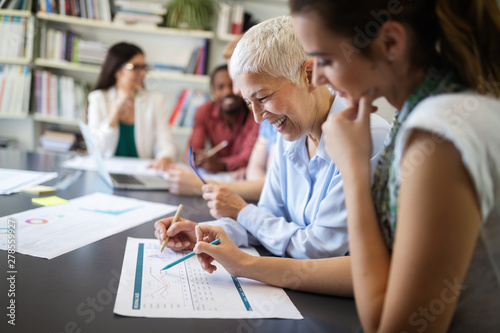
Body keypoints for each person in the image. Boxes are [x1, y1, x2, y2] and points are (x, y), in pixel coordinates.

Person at [197, 1, 500, 332]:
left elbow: (390, 323)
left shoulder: (436, 133)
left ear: (390, 43)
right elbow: (370, 266)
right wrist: (238, 253)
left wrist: (354, 169)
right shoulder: (430, 115)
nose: (319, 77)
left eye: (325, 60)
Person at [155, 16, 390, 261]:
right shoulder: (290, 134)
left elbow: (319, 248)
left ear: (309, 75)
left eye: (263, 97)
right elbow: (268, 218)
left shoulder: (368, 138)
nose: (257, 118)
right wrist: (206, 233)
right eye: (249, 102)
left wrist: (243, 212)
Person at [87, 42, 176, 170]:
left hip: (142, 172)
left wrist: (165, 158)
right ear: (117, 71)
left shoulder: (155, 101)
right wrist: (116, 108)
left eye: (144, 67)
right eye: (135, 67)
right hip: (106, 171)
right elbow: (97, 149)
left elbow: (166, 144)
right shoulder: (98, 98)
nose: (143, 73)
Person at [185, 64, 259, 174]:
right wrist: (194, 158)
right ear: (213, 92)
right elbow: (193, 147)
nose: (227, 92)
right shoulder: (205, 111)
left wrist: (222, 165)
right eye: (220, 87)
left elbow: (248, 157)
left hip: (243, 176)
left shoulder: (254, 112)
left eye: (232, 85)